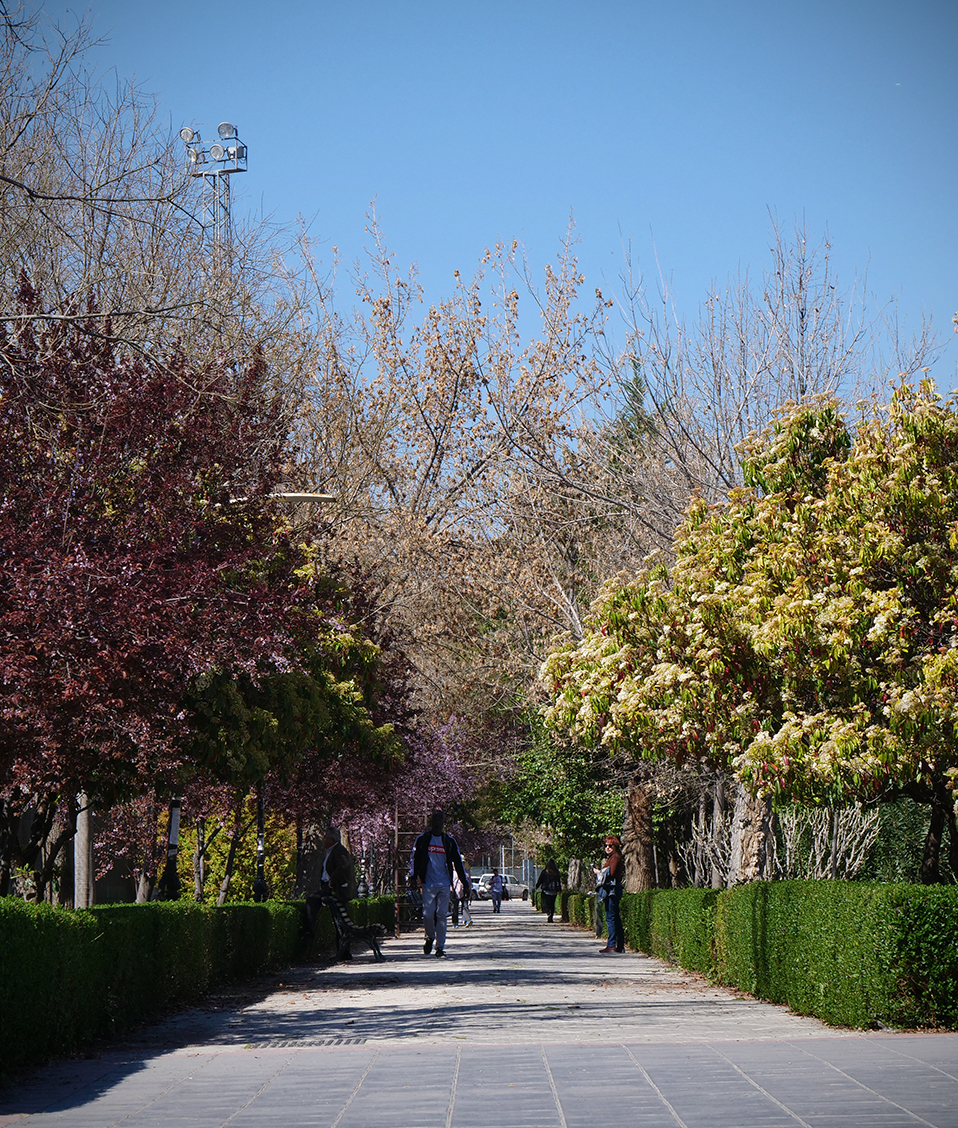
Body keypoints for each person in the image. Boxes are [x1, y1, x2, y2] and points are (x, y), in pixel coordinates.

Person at [409, 808, 471, 958]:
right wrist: (413, 877)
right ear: (431, 823)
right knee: (428, 915)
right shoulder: (423, 840)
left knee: (442, 914)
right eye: (435, 820)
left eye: (440, 821)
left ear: (443, 824)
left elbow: (458, 863)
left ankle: (440, 947)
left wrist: (465, 883)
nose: (437, 824)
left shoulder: (449, 842)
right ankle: (430, 937)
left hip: (444, 883)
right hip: (428, 883)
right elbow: (415, 860)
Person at [321, 825, 356, 960]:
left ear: (331, 839)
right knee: (338, 920)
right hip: (329, 887)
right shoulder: (330, 851)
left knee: (341, 920)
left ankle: (344, 952)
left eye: (325, 837)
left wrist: (331, 880)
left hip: (336, 890)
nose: (323, 840)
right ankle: (342, 951)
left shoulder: (339, 850)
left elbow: (342, 867)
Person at [595, 836, 624, 953]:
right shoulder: (612, 858)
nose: (607, 848)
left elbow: (611, 873)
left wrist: (599, 872)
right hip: (612, 889)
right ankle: (619, 944)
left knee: (611, 917)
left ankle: (612, 944)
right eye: (606, 845)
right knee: (615, 917)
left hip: (612, 890)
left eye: (610, 846)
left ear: (615, 847)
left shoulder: (615, 858)